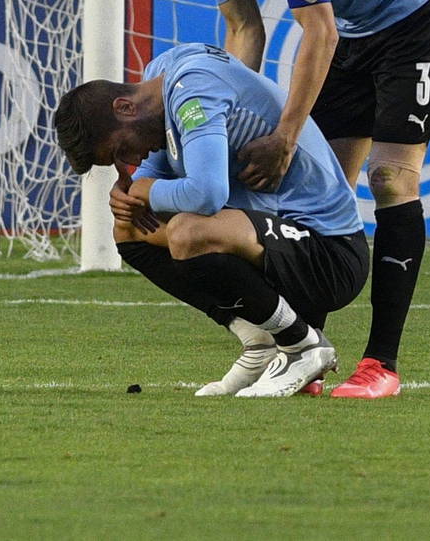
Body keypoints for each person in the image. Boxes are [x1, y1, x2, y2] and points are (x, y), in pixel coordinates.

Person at [136, 0, 430, 399]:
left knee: (390, 179)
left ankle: (380, 364)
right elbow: (243, 29)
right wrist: (225, 121)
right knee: (319, 192)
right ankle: (304, 351)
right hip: (352, 28)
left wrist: (284, 136)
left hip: (415, 14)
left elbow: (318, 30)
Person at [54, 42, 370, 398]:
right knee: (129, 230)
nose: (127, 161)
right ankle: (259, 343)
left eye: (119, 150)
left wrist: (147, 189)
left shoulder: (193, 90)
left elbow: (208, 194)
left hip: (330, 254)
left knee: (189, 231)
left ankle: (302, 346)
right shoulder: (164, 76)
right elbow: (155, 173)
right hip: (276, 243)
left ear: (125, 107)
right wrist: (131, 196)